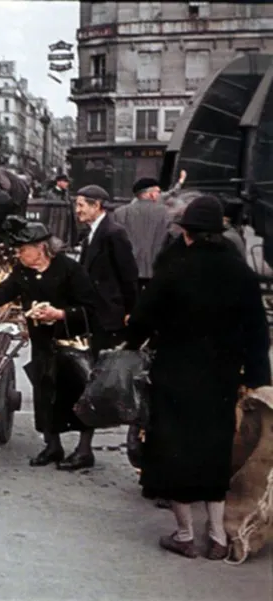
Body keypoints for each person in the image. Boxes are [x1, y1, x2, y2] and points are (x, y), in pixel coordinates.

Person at [124, 195, 271, 559]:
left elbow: (143, 316)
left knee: (173, 451)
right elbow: (257, 328)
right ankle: (219, 538)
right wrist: (256, 376)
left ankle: (185, 534)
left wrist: (129, 340)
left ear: (188, 233)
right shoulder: (240, 272)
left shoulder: (176, 268)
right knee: (214, 451)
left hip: (175, 372)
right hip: (221, 377)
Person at [0, 216, 101, 470]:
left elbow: (91, 308)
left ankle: (84, 450)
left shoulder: (70, 270)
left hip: (72, 343)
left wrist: (58, 314)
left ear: (41, 248)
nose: (18, 255)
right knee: (45, 394)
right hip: (43, 344)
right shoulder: (22, 273)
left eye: (22, 250)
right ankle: (53, 446)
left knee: (78, 394)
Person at [75, 185, 139, 353]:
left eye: (81, 205)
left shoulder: (113, 233)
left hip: (109, 314)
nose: (77, 210)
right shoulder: (91, 233)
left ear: (96, 205)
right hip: (96, 313)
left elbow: (128, 274)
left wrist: (130, 310)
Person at [113, 177, 173, 291]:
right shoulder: (167, 213)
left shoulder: (120, 213)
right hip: (157, 270)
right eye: (158, 192)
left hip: (128, 271)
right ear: (151, 194)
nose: (160, 195)